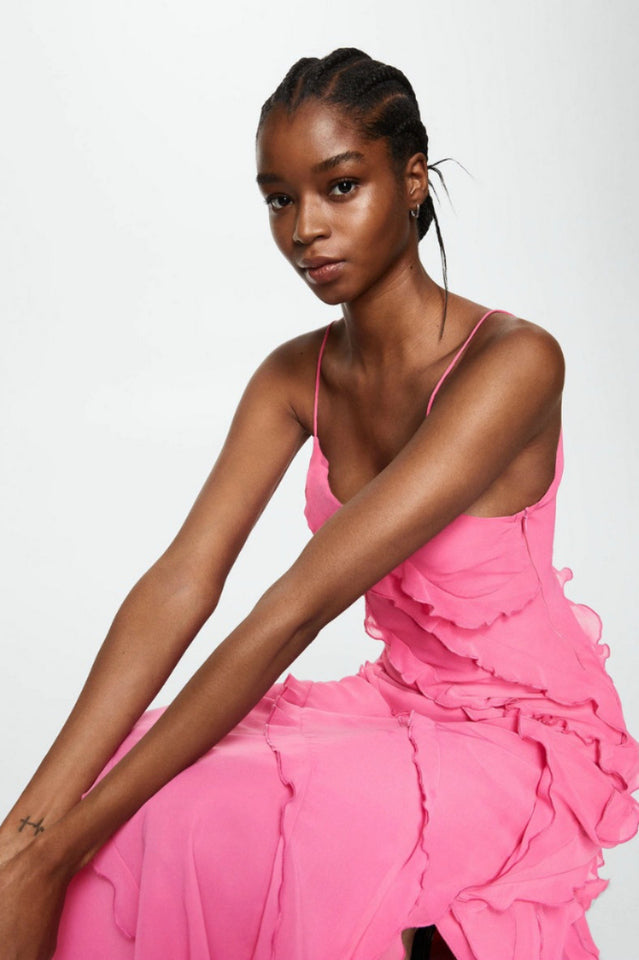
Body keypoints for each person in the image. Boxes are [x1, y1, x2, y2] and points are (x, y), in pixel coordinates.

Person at [0, 45, 638, 960]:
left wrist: (56, 853)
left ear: (410, 180)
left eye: (340, 187)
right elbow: (181, 581)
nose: (304, 229)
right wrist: (25, 834)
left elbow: (297, 607)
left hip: (517, 732)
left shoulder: (513, 363)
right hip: (392, 704)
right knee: (131, 782)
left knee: (264, 825)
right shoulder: (292, 376)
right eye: (278, 199)